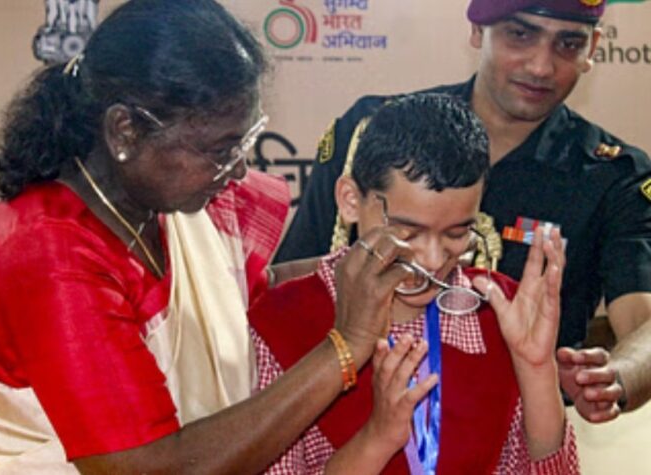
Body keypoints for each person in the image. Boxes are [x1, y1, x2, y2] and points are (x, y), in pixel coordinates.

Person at [0, 1, 417, 472]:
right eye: (221, 150)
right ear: (125, 131)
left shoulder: (165, 194)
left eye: (244, 143)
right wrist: (344, 346)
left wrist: (354, 269)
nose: (239, 170)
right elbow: (149, 468)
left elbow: (240, 292)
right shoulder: (49, 249)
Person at [274, 0, 651, 423]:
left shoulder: (611, 175)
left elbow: (643, 319)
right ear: (477, 31)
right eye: (520, 34)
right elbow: (289, 287)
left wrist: (613, 378)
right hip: (347, 423)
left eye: (568, 43)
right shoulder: (373, 130)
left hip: (516, 434)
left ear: (593, 48)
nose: (541, 66)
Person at [252, 93, 576, 474]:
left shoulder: (501, 311)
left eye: (457, 233)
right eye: (408, 232)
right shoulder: (281, 321)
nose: (434, 259)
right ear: (351, 200)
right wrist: (376, 440)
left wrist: (537, 370)